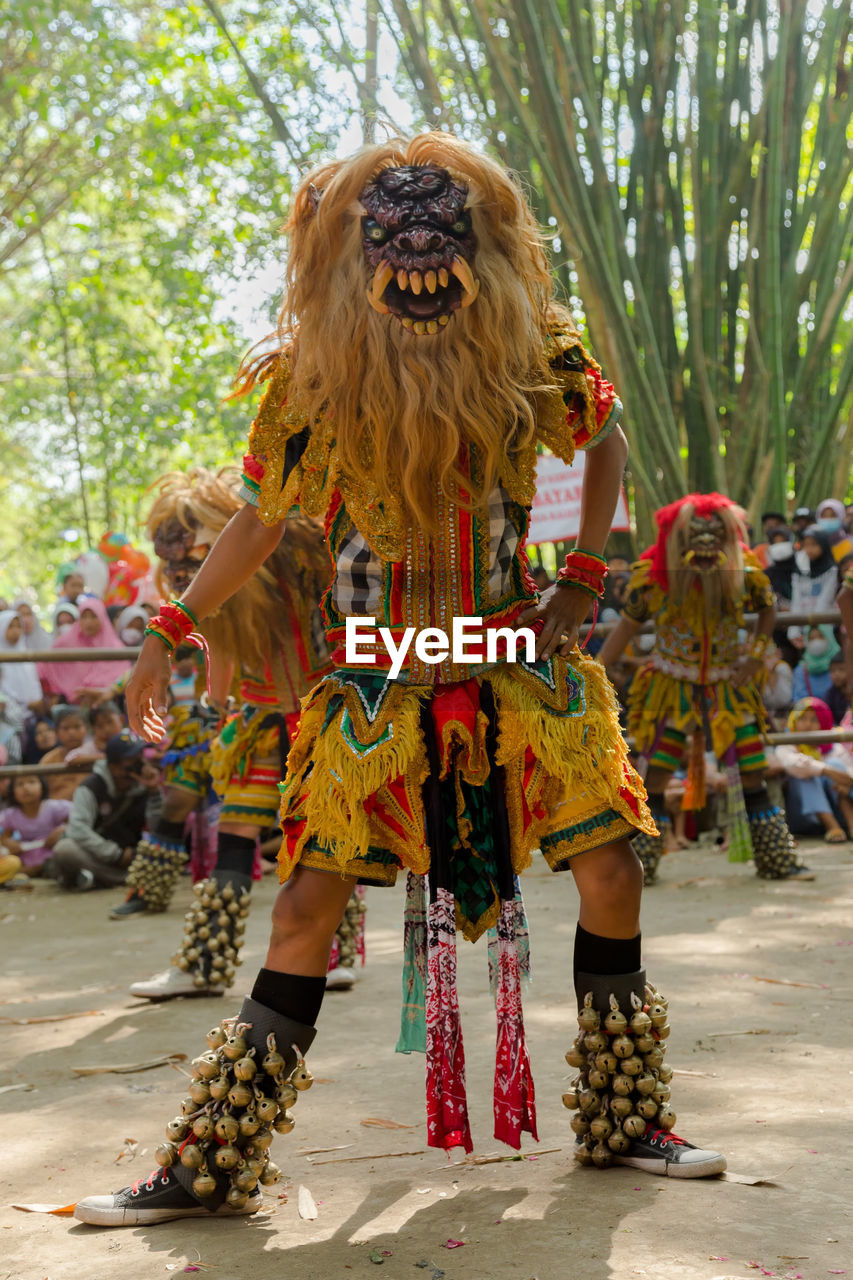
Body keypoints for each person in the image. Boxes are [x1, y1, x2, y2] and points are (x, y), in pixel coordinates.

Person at [75, 135, 725, 1231]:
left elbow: (605, 436)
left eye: (444, 242)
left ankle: (623, 1116)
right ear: (352, 259)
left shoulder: (538, 351)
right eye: (390, 242)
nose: (420, 269)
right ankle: (209, 1159)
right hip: (374, 691)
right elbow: (259, 518)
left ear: (483, 251)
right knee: (300, 909)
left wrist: (580, 571)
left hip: (521, 671)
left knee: (611, 873)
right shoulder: (310, 382)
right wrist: (169, 627)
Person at [598, 492, 808, 883]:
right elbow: (626, 627)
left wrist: (755, 654)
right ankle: (641, 866)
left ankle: (777, 861)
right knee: (656, 773)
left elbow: (768, 610)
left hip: (729, 684)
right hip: (671, 686)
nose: (706, 547)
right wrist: (594, 674)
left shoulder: (745, 573)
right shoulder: (655, 579)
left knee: (752, 769)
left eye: (715, 537)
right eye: (696, 538)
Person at [51, 732, 163, 890]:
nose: (141, 763)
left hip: (132, 853)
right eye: (132, 759)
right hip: (98, 853)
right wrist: (115, 854)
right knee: (65, 850)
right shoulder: (91, 787)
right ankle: (122, 878)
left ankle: (96, 879)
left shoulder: (145, 785)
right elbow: (78, 829)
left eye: (141, 756)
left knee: (163, 849)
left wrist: (154, 792)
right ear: (114, 767)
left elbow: (159, 829)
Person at [774, 699, 853, 842]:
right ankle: (832, 826)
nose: (808, 724)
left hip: (838, 810)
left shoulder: (835, 748)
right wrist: (827, 771)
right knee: (806, 773)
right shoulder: (786, 746)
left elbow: (849, 774)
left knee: (836, 764)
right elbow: (795, 765)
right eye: (802, 718)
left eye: (814, 719)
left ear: (823, 722)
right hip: (804, 818)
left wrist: (845, 783)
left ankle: (851, 824)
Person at [38, 596, 131, 708]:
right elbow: (45, 669)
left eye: (93, 617)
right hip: (70, 707)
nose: (88, 622)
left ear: (102, 618)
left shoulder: (115, 647)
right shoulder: (64, 644)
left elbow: (124, 674)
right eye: (84, 617)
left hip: (105, 705)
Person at [0, 774, 71, 876]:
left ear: (42, 787)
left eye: (32, 782)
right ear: (13, 792)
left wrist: (63, 829)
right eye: (20, 784)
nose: (26, 788)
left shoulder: (53, 807)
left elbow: (77, 820)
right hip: (26, 858)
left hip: (52, 853)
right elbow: (5, 837)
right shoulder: (10, 815)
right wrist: (10, 844)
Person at [0, 610, 45, 745]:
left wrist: (37, 701)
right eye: (10, 626)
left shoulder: (26, 655)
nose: (15, 631)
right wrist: (25, 703)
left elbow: (33, 683)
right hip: (8, 718)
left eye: (18, 626)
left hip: (32, 715)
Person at [789, 525, 839, 629]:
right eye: (806, 545)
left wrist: (815, 627)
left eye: (814, 544)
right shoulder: (799, 570)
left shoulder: (831, 570)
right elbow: (796, 601)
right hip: (802, 625)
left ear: (823, 544)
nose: (809, 549)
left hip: (824, 626)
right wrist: (794, 629)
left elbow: (825, 600)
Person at [39, 705, 91, 801]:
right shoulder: (48, 760)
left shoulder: (94, 754)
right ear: (57, 732)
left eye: (77, 727)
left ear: (86, 729)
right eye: (66, 728)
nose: (71, 732)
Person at [791, 624, 840, 703]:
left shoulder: (840, 666)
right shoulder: (801, 670)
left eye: (820, 636)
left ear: (829, 638)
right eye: (811, 638)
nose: (816, 641)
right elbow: (800, 700)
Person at [815, 499, 853, 563]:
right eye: (824, 516)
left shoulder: (850, 544)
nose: (828, 519)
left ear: (842, 517)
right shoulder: (812, 541)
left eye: (833, 515)